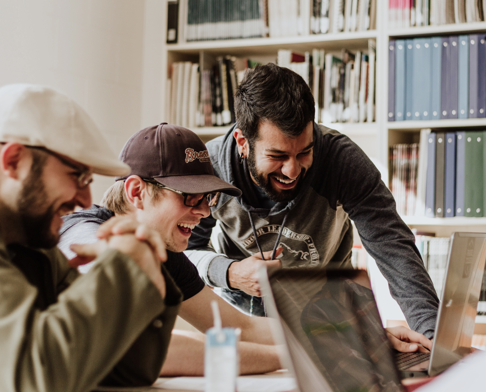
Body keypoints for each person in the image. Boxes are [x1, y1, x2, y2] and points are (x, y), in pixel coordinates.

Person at [0, 84, 182, 392]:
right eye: (78, 176)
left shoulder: (25, 233)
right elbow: (35, 378)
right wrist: (124, 269)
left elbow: (125, 370)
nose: (86, 201)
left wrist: (144, 266)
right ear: (14, 160)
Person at [186, 63, 440, 342]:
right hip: (242, 319)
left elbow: (394, 249)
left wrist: (432, 339)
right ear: (243, 142)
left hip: (329, 314)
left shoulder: (342, 161)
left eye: (304, 152)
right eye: (277, 156)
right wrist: (230, 272)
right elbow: (184, 253)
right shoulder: (210, 169)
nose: (292, 171)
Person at [59, 123, 283, 376]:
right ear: (136, 192)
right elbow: (142, 348)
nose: (205, 212)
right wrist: (288, 357)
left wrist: (321, 336)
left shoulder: (165, 254)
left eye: (207, 198)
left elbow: (239, 328)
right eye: (190, 196)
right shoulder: (83, 235)